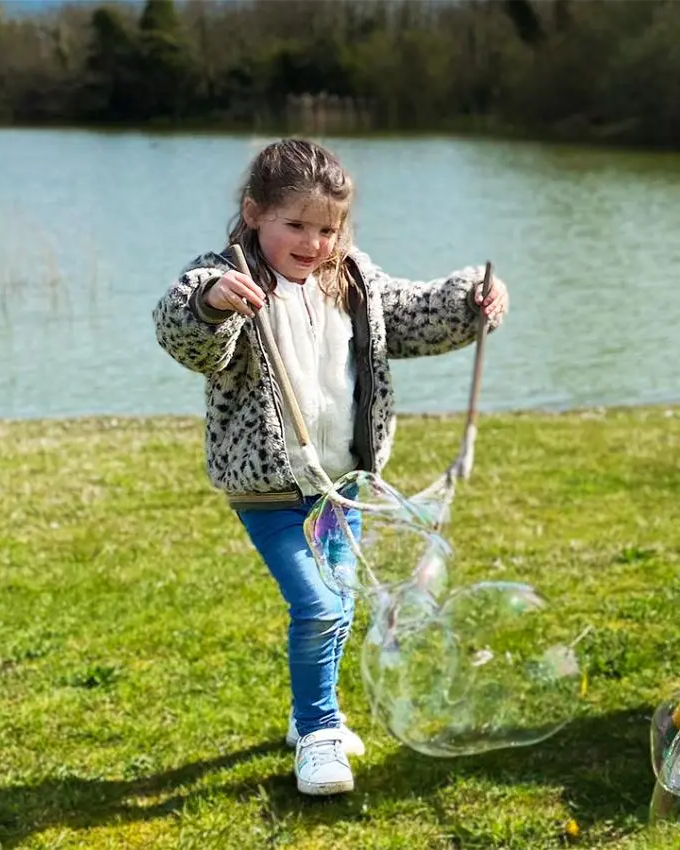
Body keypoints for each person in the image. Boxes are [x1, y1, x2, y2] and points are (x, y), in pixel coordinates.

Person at [151, 138, 509, 795]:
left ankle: (308, 715)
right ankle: (319, 733)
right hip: (269, 492)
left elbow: (415, 313)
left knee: (338, 602)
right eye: (296, 225)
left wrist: (472, 299)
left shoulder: (352, 281)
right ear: (255, 214)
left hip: (345, 487)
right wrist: (213, 301)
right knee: (317, 605)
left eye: (327, 227)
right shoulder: (230, 276)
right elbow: (183, 331)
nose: (313, 242)